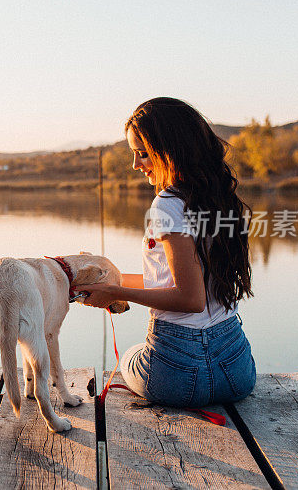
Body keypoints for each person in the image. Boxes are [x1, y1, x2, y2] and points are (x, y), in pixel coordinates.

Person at [74, 97, 256, 407]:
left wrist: (116, 292)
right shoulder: (217, 198)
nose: (136, 165)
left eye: (142, 154)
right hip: (236, 371)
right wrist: (109, 281)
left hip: (177, 375)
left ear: (171, 149)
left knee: (131, 355)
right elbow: (182, 286)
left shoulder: (168, 205)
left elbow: (190, 299)